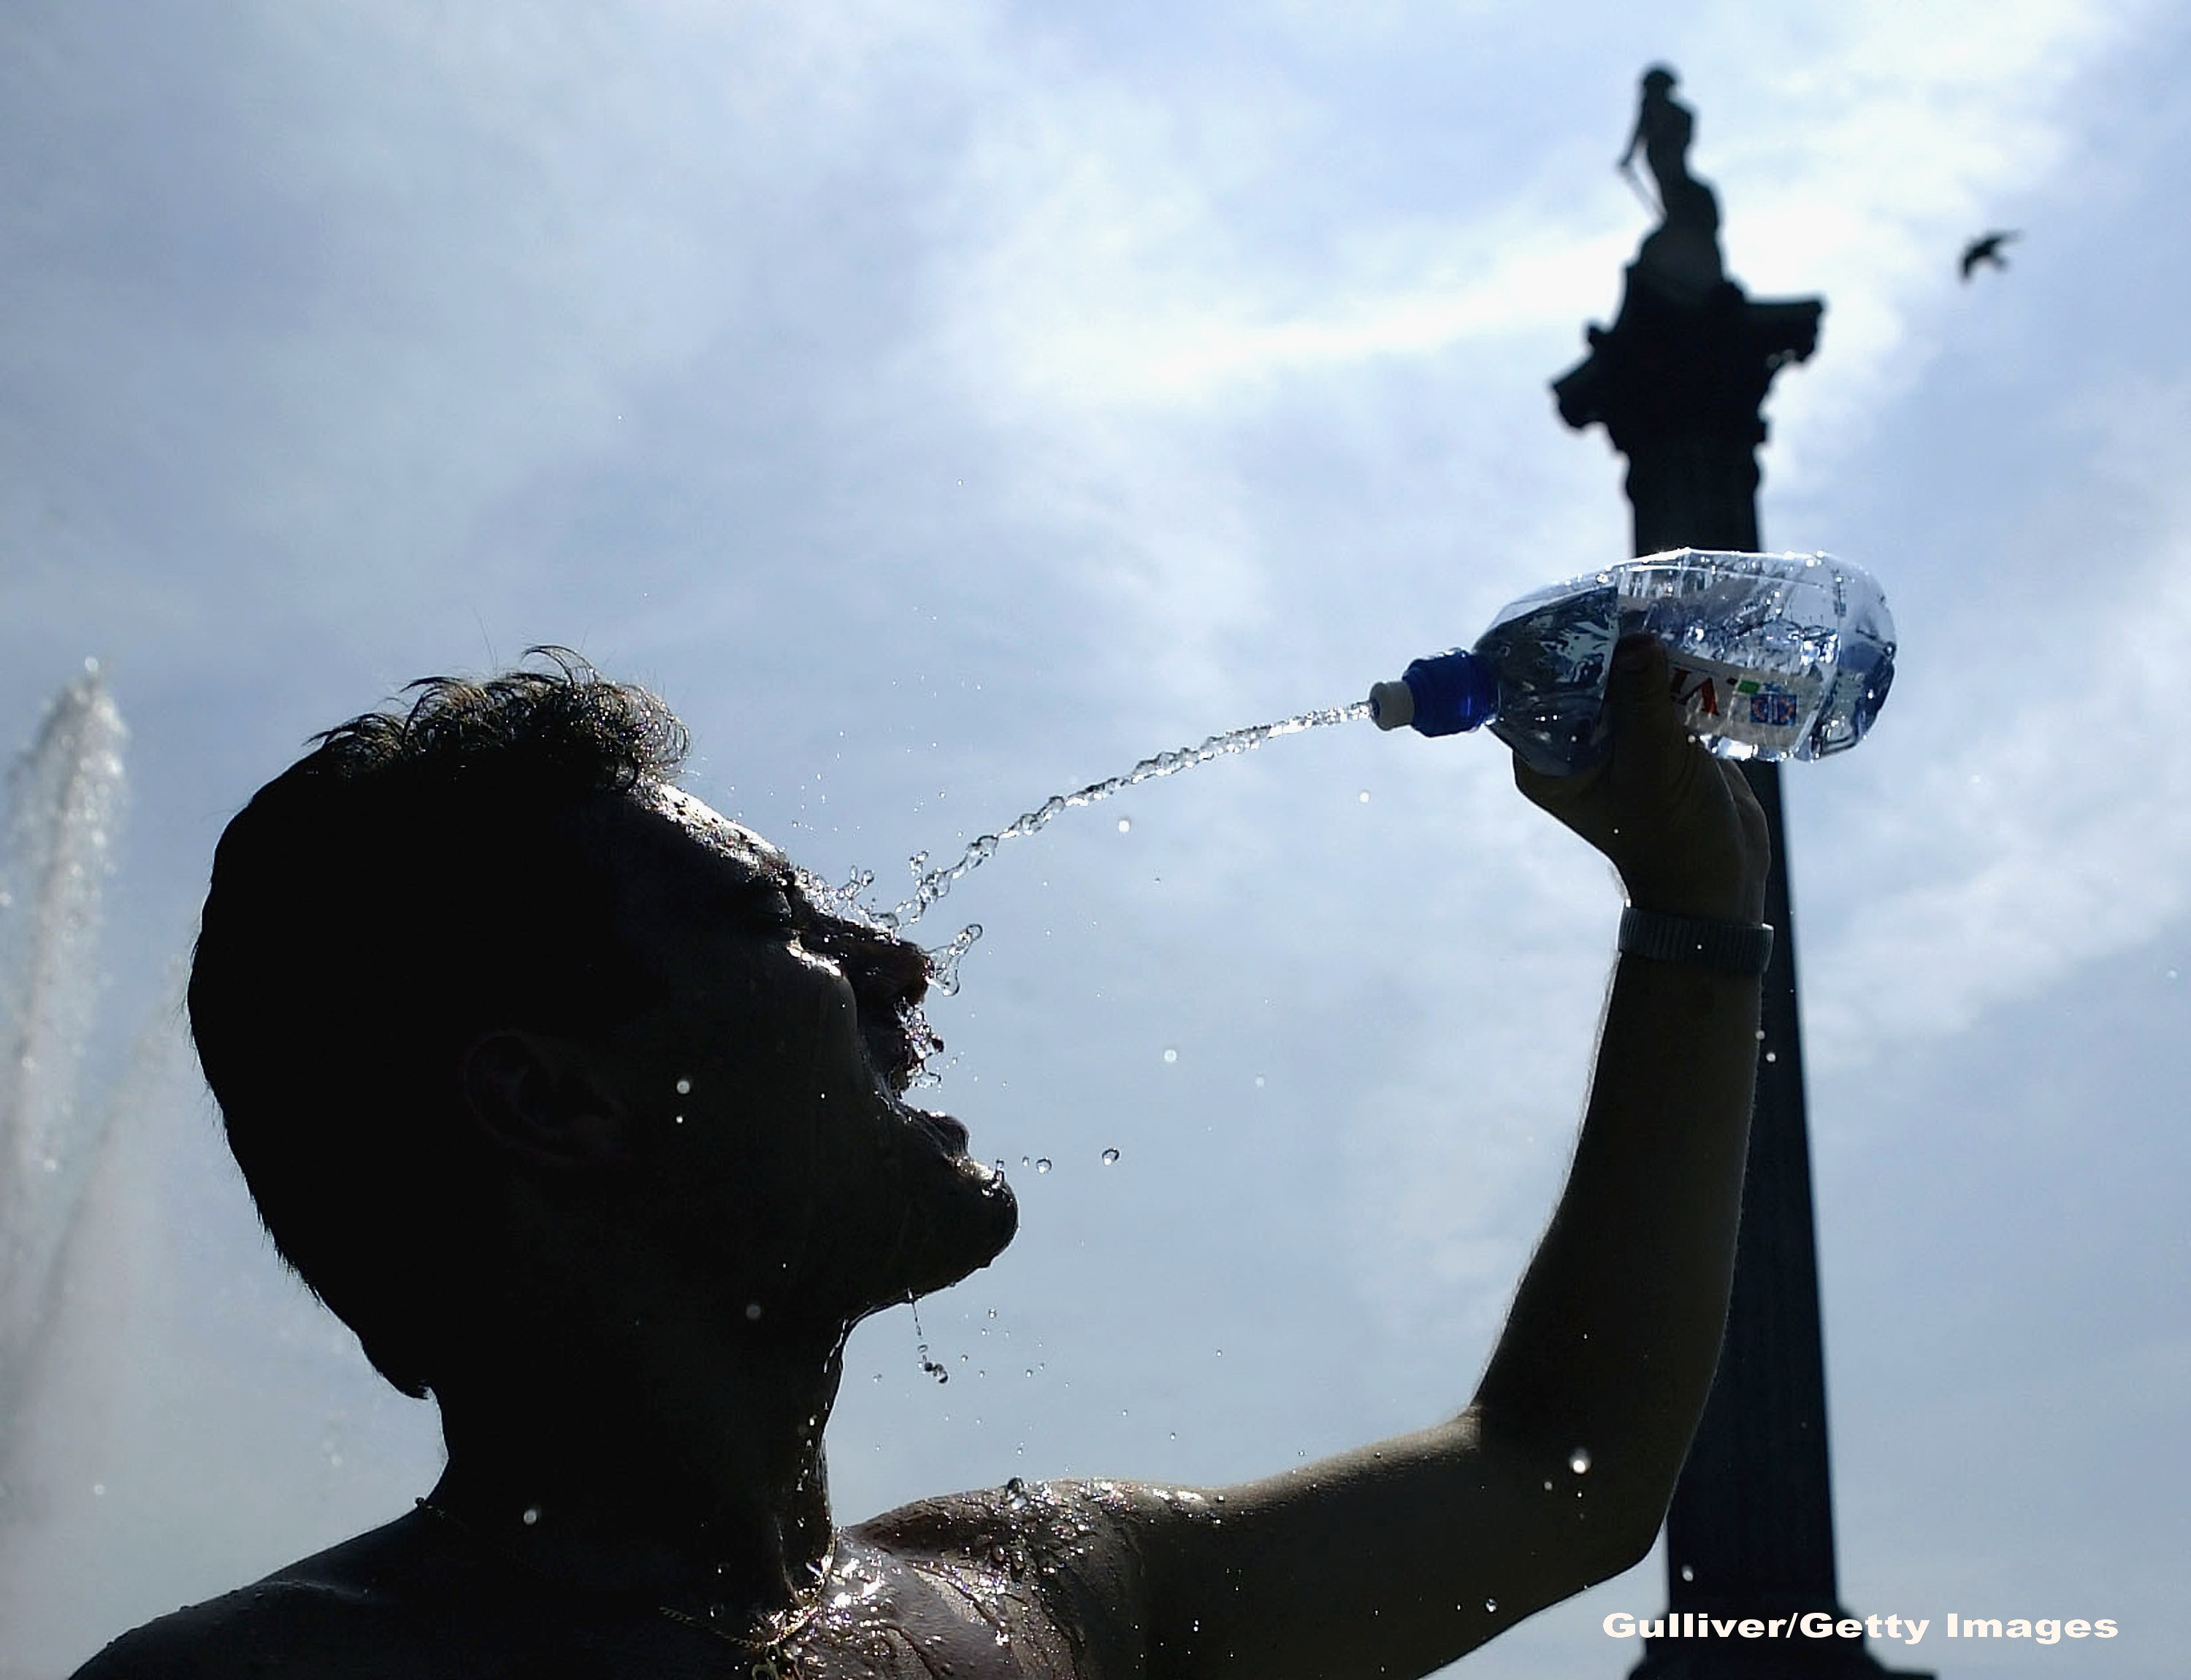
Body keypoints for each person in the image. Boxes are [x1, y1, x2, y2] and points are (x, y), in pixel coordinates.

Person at [74, 634, 1769, 1679]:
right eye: (777, 922)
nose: (898, 959)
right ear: (557, 1100)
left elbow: (1565, 1465)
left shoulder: (1048, 1589)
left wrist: (1698, 911)